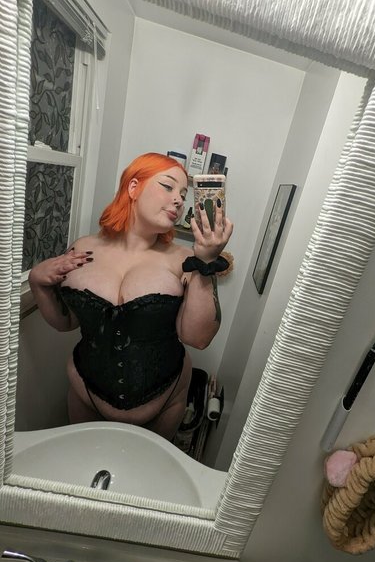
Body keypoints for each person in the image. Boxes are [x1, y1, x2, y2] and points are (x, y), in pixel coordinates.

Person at [28, 152, 233, 440]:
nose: (178, 200)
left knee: (147, 469)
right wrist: (37, 282)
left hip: (164, 398)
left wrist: (207, 261)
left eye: (183, 194)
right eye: (168, 186)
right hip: (85, 391)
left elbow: (197, 338)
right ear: (134, 187)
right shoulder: (82, 248)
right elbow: (67, 322)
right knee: (81, 464)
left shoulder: (184, 260)